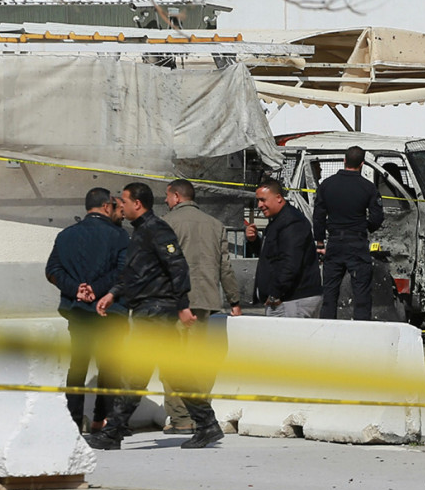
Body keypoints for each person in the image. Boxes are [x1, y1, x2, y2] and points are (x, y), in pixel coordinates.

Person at [87, 182, 224, 451]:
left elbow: (178, 266)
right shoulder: (140, 232)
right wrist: (112, 293)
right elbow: (133, 273)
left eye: (123, 202)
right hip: (146, 310)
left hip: (156, 311)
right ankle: (208, 425)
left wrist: (183, 304)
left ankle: (113, 432)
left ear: (137, 203)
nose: (120, 207)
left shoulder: (157, 230)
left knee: (135, 372)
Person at [160, 179, 242, 436]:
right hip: (205, 302)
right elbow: (225, 267)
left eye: (166, 196)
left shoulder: (166, 224)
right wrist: (234, 301)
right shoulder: (215, 225)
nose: (165, 201)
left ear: (175, 196)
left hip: (175, 303)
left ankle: (182, 418)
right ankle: (200, 415)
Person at [45, 187, 129, 432]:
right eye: (114, 206)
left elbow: (52, 271)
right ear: (106, 207)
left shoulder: (65, 236)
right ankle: (99, 420)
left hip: (78, 310)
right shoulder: (120, 236)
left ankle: (73, 420)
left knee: (78, 365)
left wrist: (77, 289)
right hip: (109, 312)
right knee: (109, 365)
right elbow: (123, 272)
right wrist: (97, 288)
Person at [313, 146, 384, 320]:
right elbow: (377, 217)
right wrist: (365, 227)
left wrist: (320, 242)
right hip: (357, 243)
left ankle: (327, 332)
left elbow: (319, 216)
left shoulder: (327, 185)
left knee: (329, 295)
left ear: (344, 160)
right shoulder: (368, 188)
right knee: (361, 296)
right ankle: (361, 335)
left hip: (335, 243)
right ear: (362, 164)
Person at [244, 179, 322, 317]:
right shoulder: (278, 221)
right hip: (287, 299)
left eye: (263, 200)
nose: (260, 205)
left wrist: (275, 293)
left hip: (292, 300)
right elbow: (271, 256)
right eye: (258, 201)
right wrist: (254, 241)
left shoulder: (291, 222)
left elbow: (290, 262)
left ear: (278, 198)